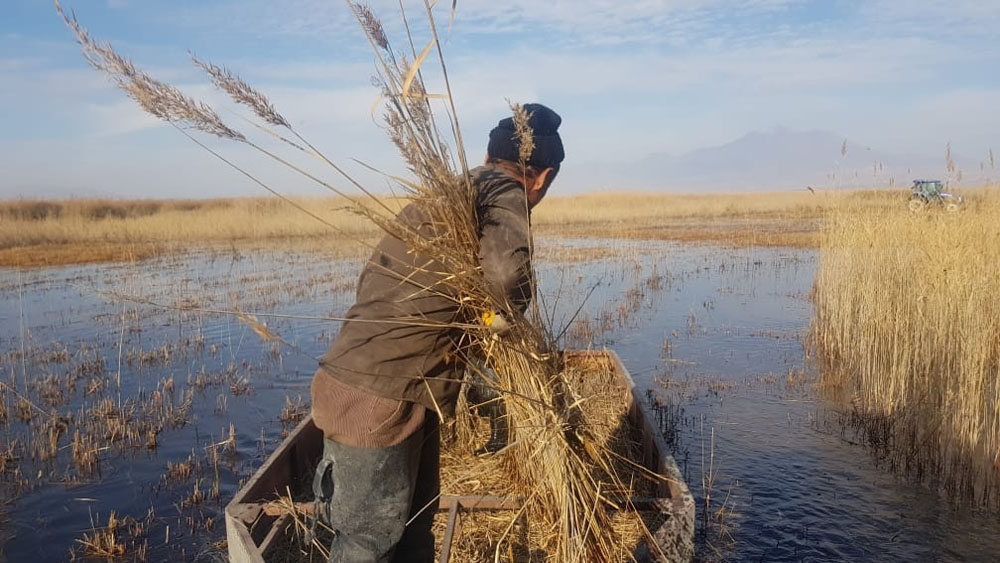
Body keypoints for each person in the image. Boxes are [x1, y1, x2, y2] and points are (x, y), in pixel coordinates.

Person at [309, 103, 565, 562]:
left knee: (411, 528)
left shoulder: (447, 195)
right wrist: (500, 320)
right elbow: (507, 278)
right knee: (368, 544)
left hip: (392, 390)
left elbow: (372, 282)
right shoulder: (504, 189)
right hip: (377, 398)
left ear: (488, 155)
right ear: (541, 177)